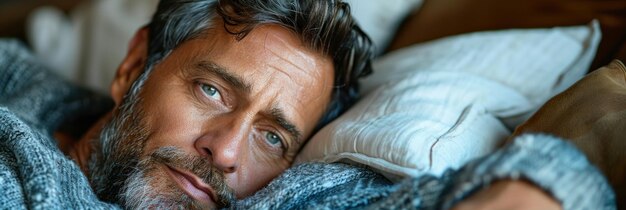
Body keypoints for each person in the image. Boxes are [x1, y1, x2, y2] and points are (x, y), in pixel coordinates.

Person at [0, 0, 615, 209]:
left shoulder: (287, 196)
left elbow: (548, 181)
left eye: (274, 137)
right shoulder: (20, 85)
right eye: (211, 90)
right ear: (135, 66)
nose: (227, 152)